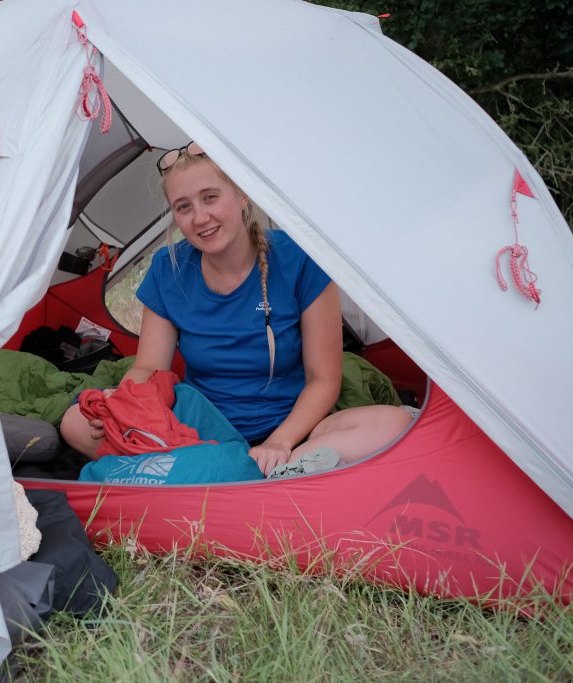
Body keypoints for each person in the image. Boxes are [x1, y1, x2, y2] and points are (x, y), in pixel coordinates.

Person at [60, 142, 411, 477]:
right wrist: (122, 401)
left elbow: (324, 380)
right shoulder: (169, 269)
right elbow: (149, 368)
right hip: (198, 431)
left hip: (294, 432)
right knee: (76, 423)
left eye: (210, 197)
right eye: (184, 207)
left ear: (242, 195)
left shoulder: (299, 260)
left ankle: (237, 473)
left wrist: (280, 442)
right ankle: (263, 476)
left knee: (393, 424)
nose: (200, 218)